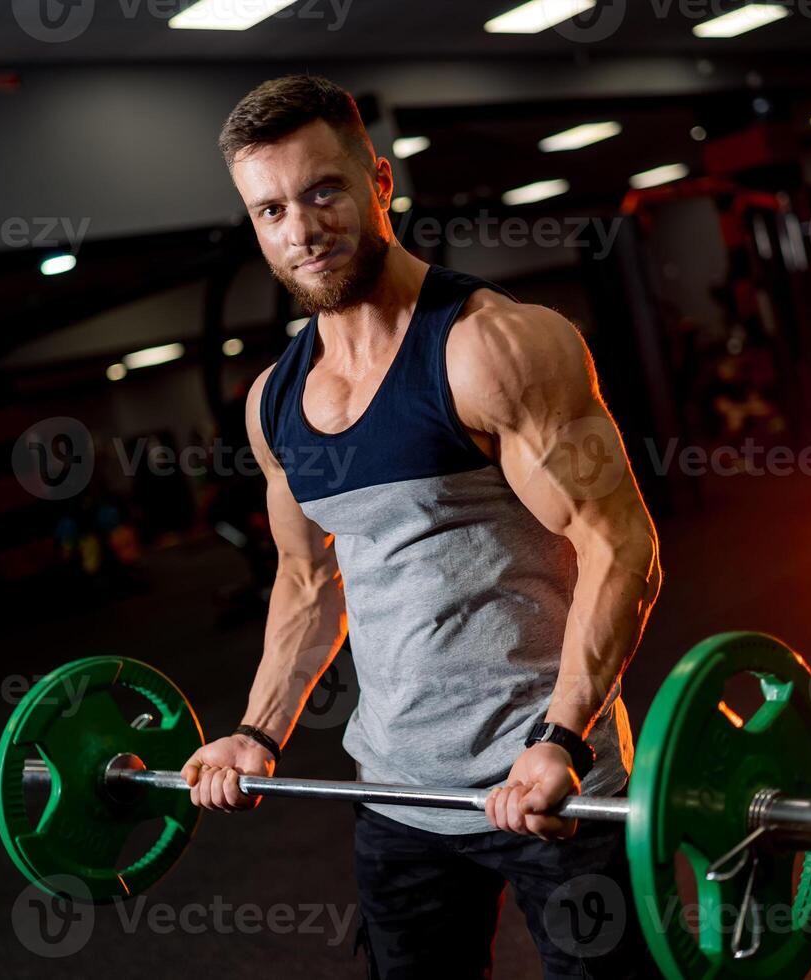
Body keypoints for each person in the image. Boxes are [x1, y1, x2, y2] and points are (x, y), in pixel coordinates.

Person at [182, 75, 662, 979]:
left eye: (323, 190)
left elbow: (621, 542)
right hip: (396, 801)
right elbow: (306, 581)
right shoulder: (275, 404)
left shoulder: (494, 348)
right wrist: (258, 728)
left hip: (551, 789)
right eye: (271, 209)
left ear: (379, 182)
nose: (301, 229)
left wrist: (562, 737)